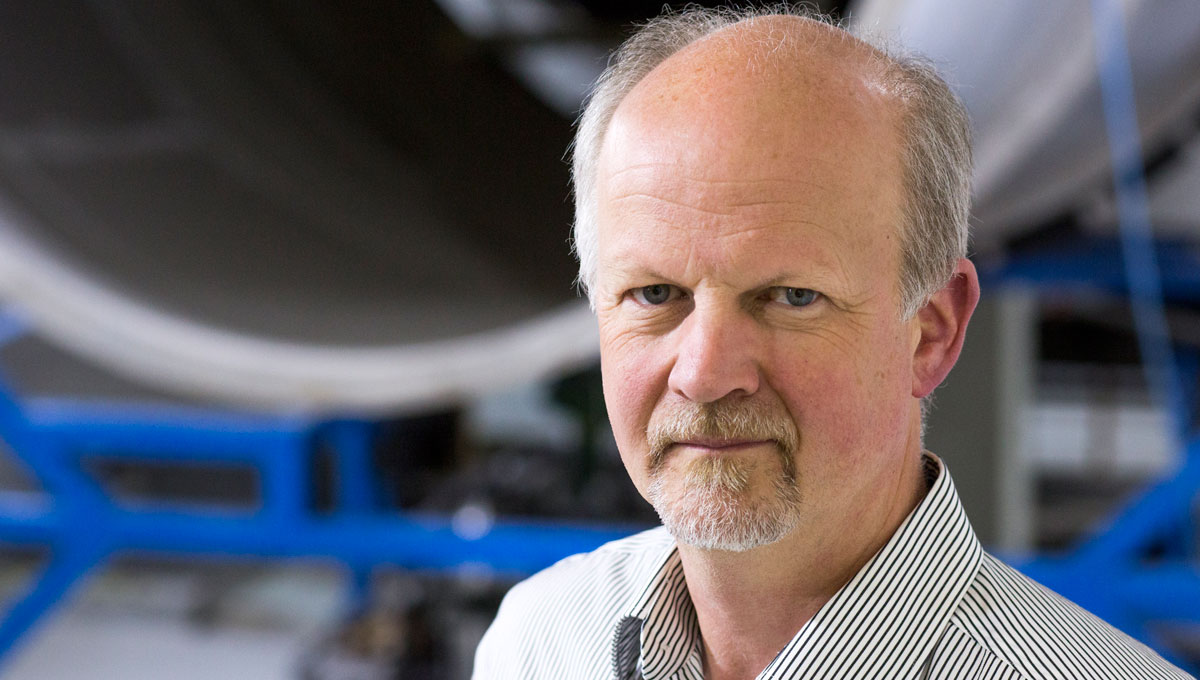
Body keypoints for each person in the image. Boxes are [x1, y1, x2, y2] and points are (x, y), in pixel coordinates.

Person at [474, 7, 1193, 680]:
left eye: (791, 298)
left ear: (932, 333)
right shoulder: (540, 641)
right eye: (655, 295)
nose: (704, 372)